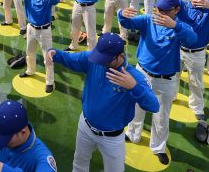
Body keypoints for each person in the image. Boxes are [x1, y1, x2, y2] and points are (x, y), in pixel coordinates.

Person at [46, 33, 159, 172]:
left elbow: (154, 106)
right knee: (79, 162)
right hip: (85, 127)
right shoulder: (95, 59)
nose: (100, 62)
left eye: (105, 60)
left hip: (112, 137)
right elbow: (71, 59)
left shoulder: (134, 77)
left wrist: (134, 87)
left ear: (119, 56)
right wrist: (54, 53)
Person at [117, 0, 198, 165]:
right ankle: (133, 134)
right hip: (142, 73)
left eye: (164, 11)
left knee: (161, 116)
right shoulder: (148, 20)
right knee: (137, 108)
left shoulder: (181, 27)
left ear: (176, 10)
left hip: (165, 79)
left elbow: (192, 40)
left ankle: (158, 147)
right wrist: (121, 14)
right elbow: (128, 23)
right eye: (158, 9)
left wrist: (175, 26)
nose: (159, 13)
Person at [6, 0, 60, 93]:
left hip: (44, 30)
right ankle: (30, 70)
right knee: (30, 52)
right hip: (31, 28)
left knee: (48, 57)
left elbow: (56, 1)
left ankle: (49, 81)